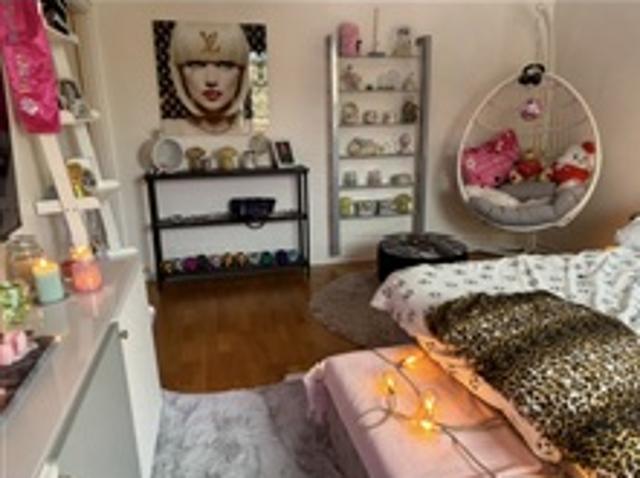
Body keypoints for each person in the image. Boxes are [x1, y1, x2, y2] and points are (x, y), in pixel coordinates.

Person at [164, 22, 251, 135]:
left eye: (225, 65)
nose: (211, 80)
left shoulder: (256, 133)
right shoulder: (165, 131)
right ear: (179, 73)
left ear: (242, 72)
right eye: (197, 64)